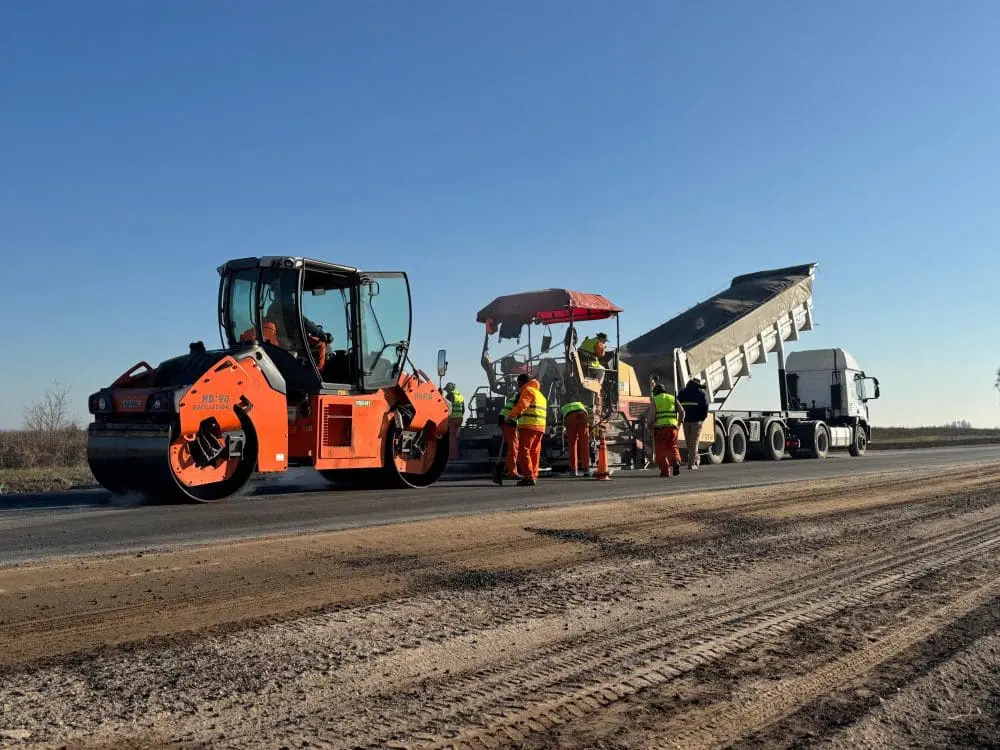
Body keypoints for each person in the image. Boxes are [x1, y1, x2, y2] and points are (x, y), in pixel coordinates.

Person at [505, 373, 547, 486]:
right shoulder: (540, 395)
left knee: (524, 451)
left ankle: (528, 477)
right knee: (535, 452)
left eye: (518, 383)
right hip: (540, 427)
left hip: (528, 425)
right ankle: (533, 474)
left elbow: (522, 405)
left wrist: (510, 416)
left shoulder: (528, 390)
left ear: (521, 382)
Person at [646, 381, 685, 477]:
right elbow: (682, 412)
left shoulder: (655, 399)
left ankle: (665, 471)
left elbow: (652, 415)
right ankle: (676, 461)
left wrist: (649, 426)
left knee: (660, 451)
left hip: (660, 430)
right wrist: (679, 424)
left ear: (656, 392)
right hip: (673, 428)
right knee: (673, 447)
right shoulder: (672, 398)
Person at [678, 376, 710, 469]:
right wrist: (702, 419)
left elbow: (678, 405)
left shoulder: (683, 392)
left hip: (686, 421)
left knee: (689, 443)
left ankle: (695, 461)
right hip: (697, 422)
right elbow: (705, 407)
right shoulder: (701, 393)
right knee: (694, 443)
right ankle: (692, 464)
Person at [561, 399, 591, 477]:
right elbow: (591, 411)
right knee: (584, 444)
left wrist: (564, 431)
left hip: (570, 418)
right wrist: (589, 424)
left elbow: (562, 423)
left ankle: (573, 470)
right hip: (582, 415)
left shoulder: (563, 408)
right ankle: (586, 470)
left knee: (572, 444)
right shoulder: (580, 404)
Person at [497, 389, 521, 479]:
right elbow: (520, 409)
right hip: (508, 421)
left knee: (513, 447)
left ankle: (506, 470)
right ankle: (512, 472)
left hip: (506, 420)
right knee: (514, 447)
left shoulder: (519, 394)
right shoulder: (523, 395)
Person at [443, 383, 465, 459]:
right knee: (456, 437)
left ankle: (453, 455)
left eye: (447, 390)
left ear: (449, 389)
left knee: (451, 438)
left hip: (452, 418)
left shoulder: (450, 395)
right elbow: (463, 409)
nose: (446, 391)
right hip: (460, 418)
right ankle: (458, 453)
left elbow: (446, 407)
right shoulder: (460, 395)